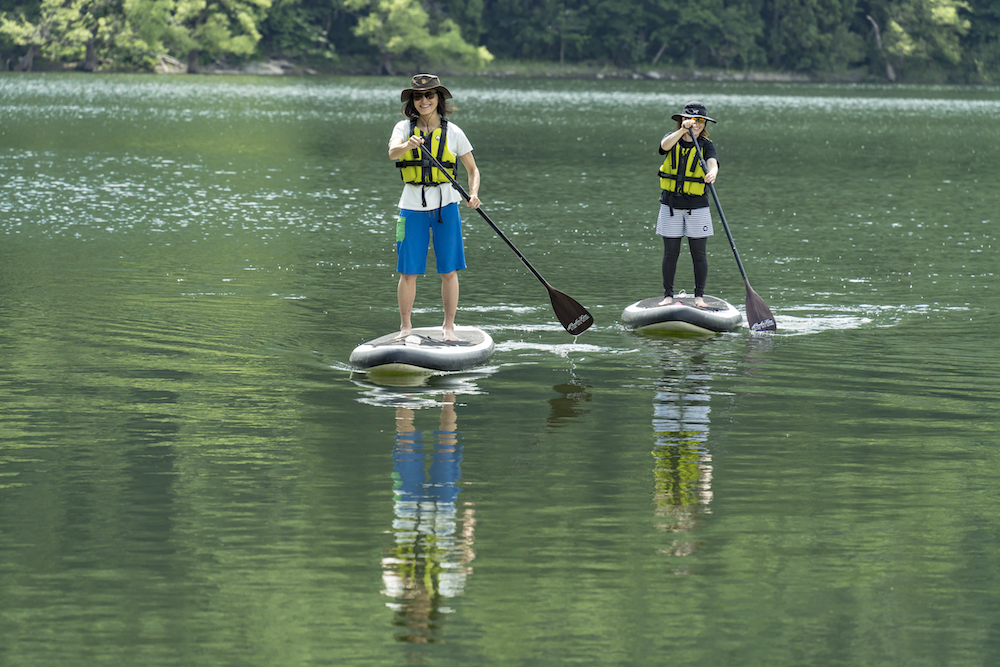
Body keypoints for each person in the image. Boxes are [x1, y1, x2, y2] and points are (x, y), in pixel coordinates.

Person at [387, 74, 481, 341]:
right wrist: (408, 145)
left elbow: (473, 171)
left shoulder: (454, 132)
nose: (424, 100)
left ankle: (448, 327)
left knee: (449, 271)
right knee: (408, 271)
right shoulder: (403, 129)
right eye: (418, 96)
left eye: (430, 95)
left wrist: (473, 194)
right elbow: (393, 152)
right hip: (410, 208)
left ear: (439, 98)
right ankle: (405, 326)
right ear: (412, 101)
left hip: (447, 207)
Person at [655, 101, 720, 308]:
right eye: (692, 120)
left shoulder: (706, 145)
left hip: (697, 206)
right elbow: (663, 147)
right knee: (670, 253)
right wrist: (683, 130)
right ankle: (668, 295)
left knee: (698, 253)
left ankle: (699, 296)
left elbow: (712, 163)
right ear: (683, 120)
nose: (697, 125)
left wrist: (712, 174)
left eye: (700, 121)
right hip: (671, 205)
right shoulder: (671, 138)